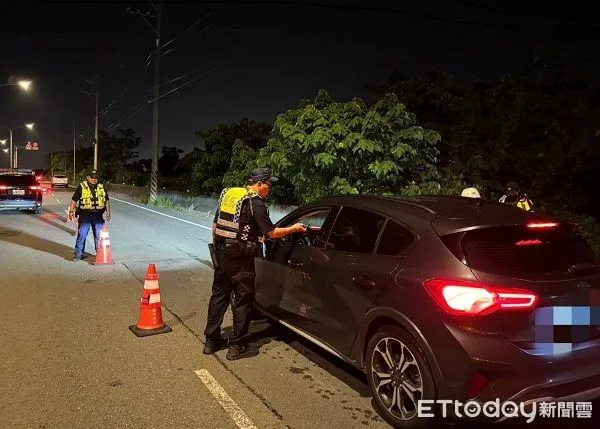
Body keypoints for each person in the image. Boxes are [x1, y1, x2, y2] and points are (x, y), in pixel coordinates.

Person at [203, 167, 307, 360]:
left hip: (221, 252)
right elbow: (272, 233)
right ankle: (237, 347)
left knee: (219, 296)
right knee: (243, 299)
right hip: (241, 258)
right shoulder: (256, 203)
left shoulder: (231, 196)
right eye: (269, 184)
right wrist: (293, 228)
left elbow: (215, 225)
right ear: (259, 184)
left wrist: (217, 252)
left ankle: (211, 341)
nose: (270, 188)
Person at [67, 170, 111, 261]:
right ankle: (79, 254)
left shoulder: (101, 187)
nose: (94, 179)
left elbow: (106, 201)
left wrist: (108, 212)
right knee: (82, 234)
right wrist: (71, 211)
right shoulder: (82, 187)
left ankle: (100, 255)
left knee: (99, 236)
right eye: (92, 177)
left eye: (96, 178)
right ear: (88, 178)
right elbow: (74, 200)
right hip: (85, 215)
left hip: (98, 215)